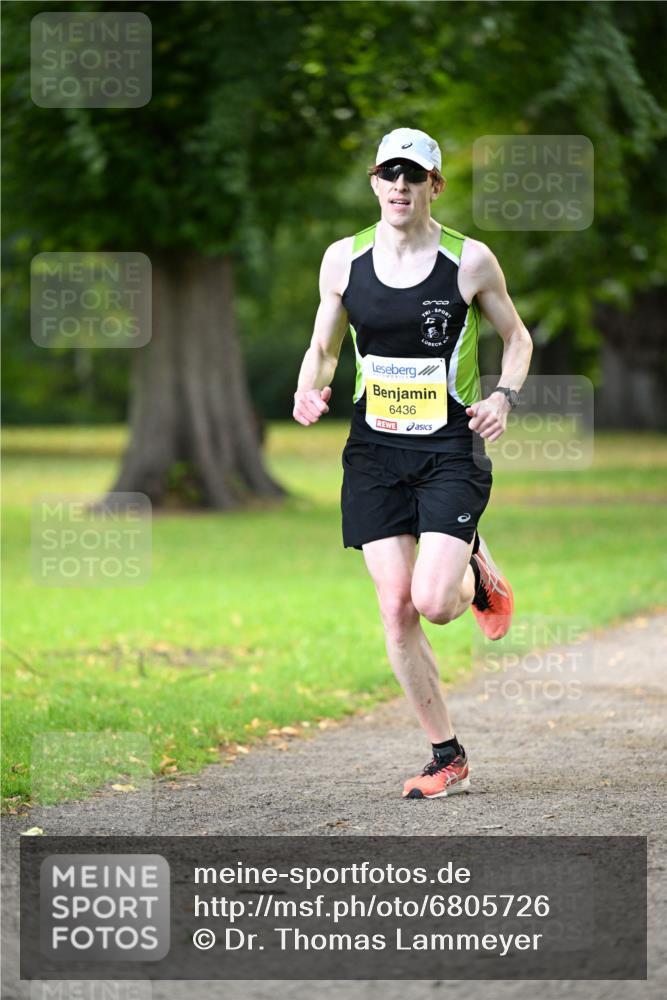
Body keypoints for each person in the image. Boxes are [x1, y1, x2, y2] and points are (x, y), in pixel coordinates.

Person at [292, 128, 533, 800]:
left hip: (448, 449)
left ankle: (472, 571)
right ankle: (445, 754)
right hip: (373, 451)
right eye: (388, 173)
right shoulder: (342, 260)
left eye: (413, 174)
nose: (399, 185)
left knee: (433, 603)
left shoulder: (469, 260)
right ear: (373, 182)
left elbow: (517, 338)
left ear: (434, 185)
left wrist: (504, 398)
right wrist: (308, 383)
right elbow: (324, 345)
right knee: (395, 607)